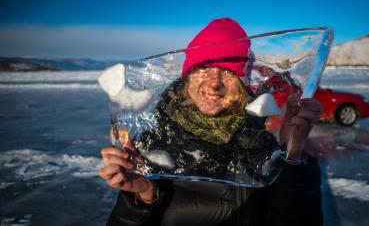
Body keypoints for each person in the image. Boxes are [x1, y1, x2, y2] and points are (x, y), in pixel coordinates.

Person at [99, 18, 323, 226]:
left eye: (228, 72)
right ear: (187, 77)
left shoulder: (263, 148)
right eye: (203, 69)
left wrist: (292, 157)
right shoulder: (152, 147)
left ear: (243, 82)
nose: (214, 84)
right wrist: (143, 197)